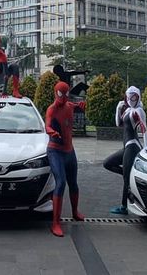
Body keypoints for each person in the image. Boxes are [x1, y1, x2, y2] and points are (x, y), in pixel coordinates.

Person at [45, 81, 86, 237]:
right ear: (56, 93)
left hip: (69, 151)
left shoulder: (69, 106)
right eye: (60, 94)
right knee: (60, 182)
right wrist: (52, 132)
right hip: (55, 152)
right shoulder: (52, 109)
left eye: (66, 94)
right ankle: (55, 222)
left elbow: (75, 105)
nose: (63, 97)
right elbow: (47, 125)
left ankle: (75, 212)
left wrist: (81, 105)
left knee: (73, 184)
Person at [103, 86, 147, 215]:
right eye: (129, 96)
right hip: (127, 146)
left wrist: (146, 148)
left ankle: (124, 207)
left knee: (125, 178)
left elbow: (144, 129)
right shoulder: (128, 109)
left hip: (133, 146)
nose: (131, 99)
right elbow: (118, 124)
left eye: (134, 96)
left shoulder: (139, 111)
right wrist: (118, 108)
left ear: (138, 96)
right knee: (107, 163)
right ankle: (130, 175)